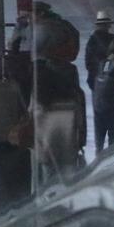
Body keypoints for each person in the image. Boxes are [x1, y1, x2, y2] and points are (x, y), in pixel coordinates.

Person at [32, 52, 86, 184]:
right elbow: (80, 124)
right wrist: (81, 142)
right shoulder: (74, 99)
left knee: (47, 183)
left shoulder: (39, 101)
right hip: (68, 151)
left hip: (46, 151)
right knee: (67, 184)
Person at [84, 10, 114, 90]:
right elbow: (111, 57)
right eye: (108, 24)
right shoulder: (113, 39)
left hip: (94, 80)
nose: (109, 27)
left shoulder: (91, 40)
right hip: (110, 79)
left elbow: (88, 63)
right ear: (107, 25)